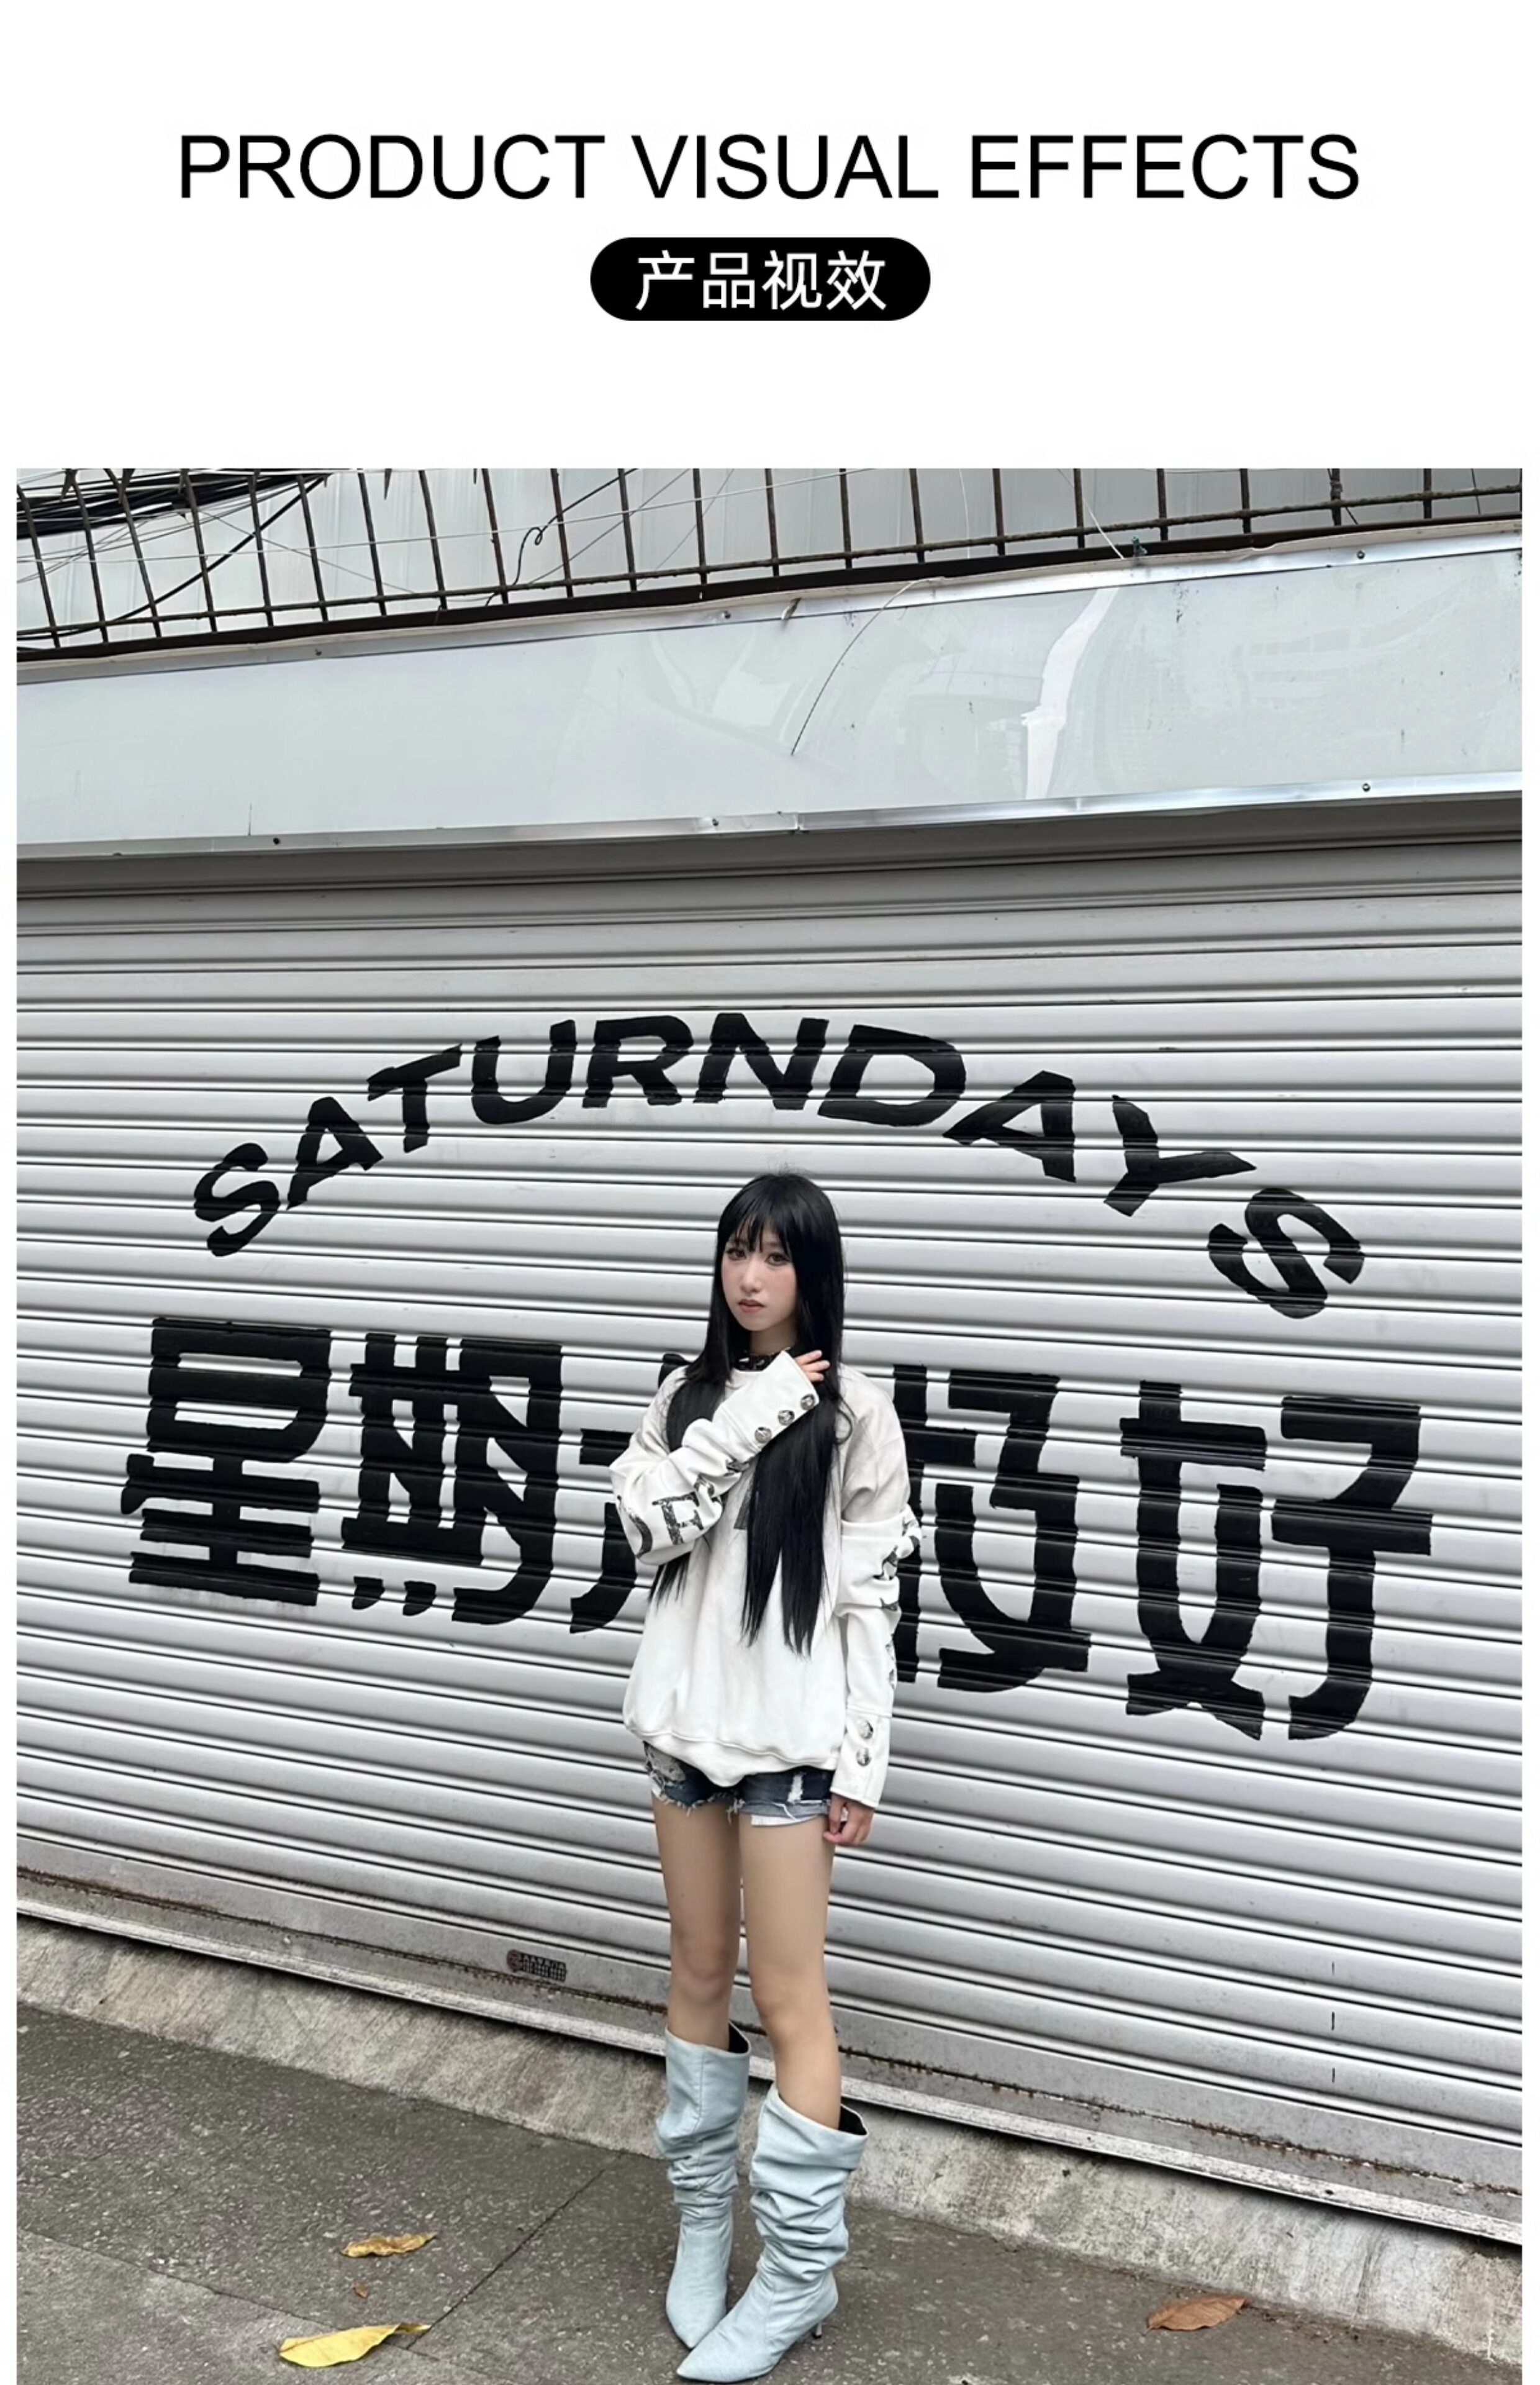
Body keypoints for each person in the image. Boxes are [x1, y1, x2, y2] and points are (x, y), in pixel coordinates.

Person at [610, 1170, 920, 2383]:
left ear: (813, 1271)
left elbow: (869, 1608)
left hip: (791, 1748)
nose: (752, 1276)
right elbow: (647, 1530)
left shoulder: (860, 1420)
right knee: (696, 1969)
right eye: (738, 1250)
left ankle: (796, 2271)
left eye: (778, 1255)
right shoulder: (685, 1397)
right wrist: (751, 1410)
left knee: (791, 1995)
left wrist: (864, 1763)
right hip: (683, 1737)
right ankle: (705, 2226)